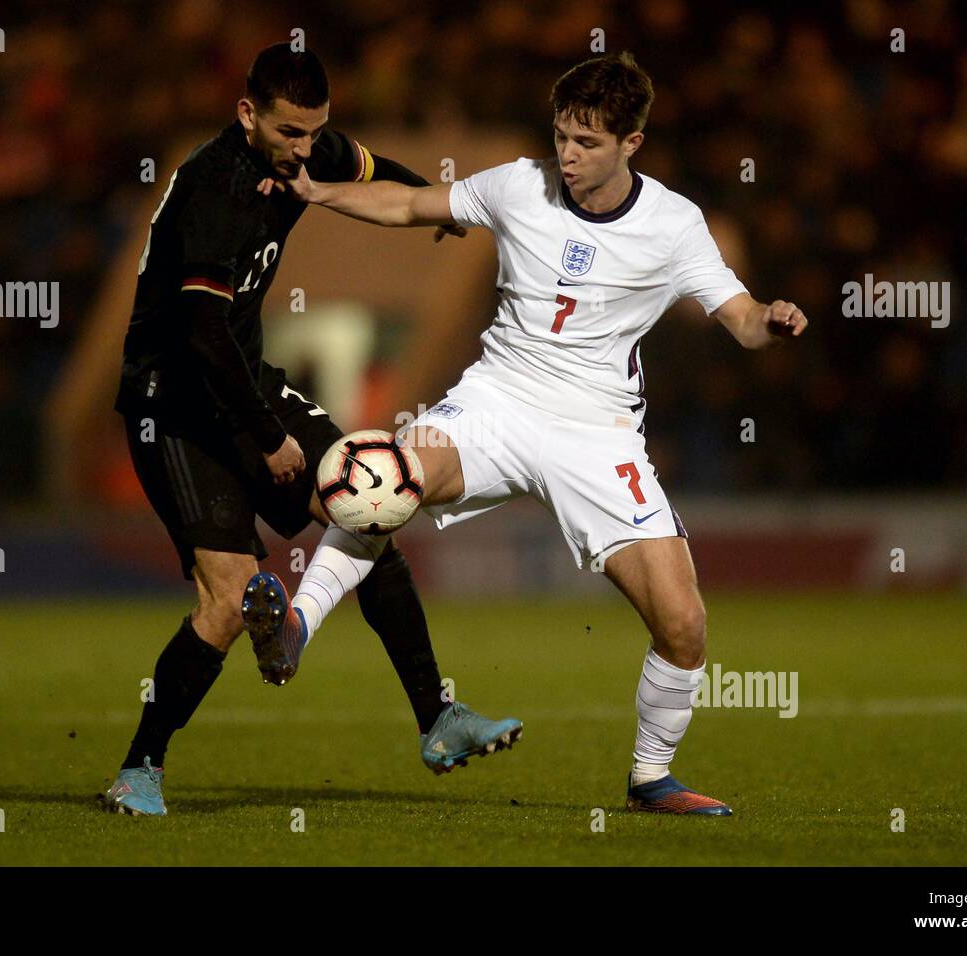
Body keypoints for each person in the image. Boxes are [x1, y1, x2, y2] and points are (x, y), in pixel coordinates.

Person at [245, 52, 808, 816]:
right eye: (561, 135)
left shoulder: (674, 226)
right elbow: (413, 207)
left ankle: (651, 777)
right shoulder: (520, 183)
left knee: (683, 625)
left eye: (587, 143)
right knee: (383, 483)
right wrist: (318, 191)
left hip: (598, 435)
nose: (567, 156)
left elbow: (739, 318)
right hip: (498, 402)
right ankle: (297, 631)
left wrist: (771, 322)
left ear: (631, 144)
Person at [103, 43, 521, 817]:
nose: (305, 150)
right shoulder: (212, 189)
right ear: (248, 114)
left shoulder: (304, 150)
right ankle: (140, 769)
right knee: (226, 607)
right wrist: (266, 436)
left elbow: (369, 169)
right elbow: (200, 332)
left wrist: (434, 207)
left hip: (241, 375)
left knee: (375, 500)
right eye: (291, 134)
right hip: (175, 403)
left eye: (315, 132)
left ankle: (438, 719)